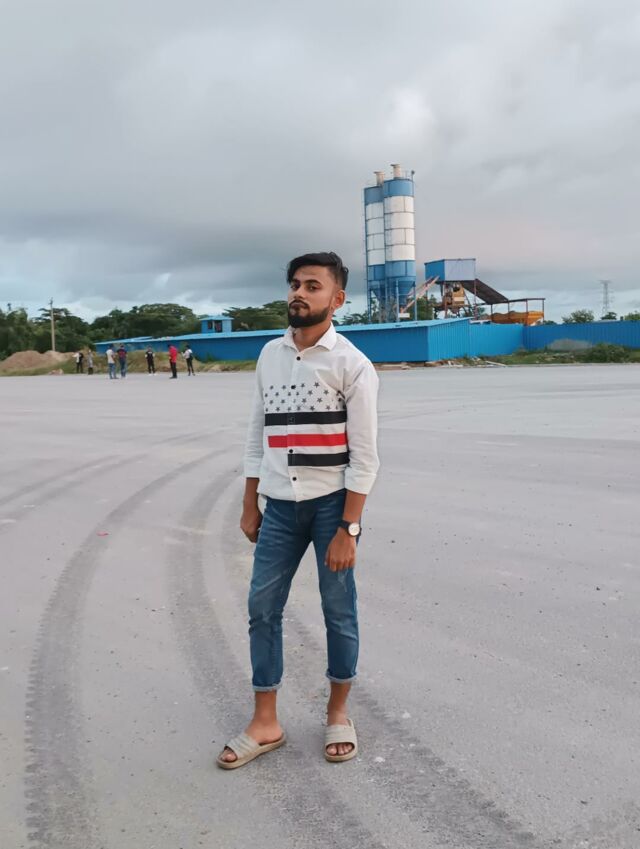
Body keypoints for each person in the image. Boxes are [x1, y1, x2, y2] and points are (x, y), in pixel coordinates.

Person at [217, 252, 379, 770]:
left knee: (339, 610)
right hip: (280, 508)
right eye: (294, 284)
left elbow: (365, 457)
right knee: (262, 607)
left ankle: (338, 712)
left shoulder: (352, 364)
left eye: (312, 286)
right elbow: (256, 436)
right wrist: (250, 502)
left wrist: (349, 527)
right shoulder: (270, 355)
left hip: (332, 507)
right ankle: (265, 721)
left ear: (337, 299)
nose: (299, 293)